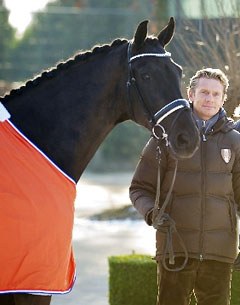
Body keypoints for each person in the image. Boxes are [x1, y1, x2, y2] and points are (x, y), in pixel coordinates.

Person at [129, 68, 240, 305]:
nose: (209, 99)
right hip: (175, 249)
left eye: (215, 94)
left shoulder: (235, 141)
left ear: (223, 99)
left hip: (219, 253)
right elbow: (139, 188)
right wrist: (152, 212)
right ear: (190, 94)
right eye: (204, 92)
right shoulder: (166, 136)